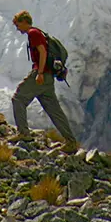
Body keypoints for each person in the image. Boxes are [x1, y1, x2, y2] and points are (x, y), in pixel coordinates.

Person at [11, 10, 78, 153]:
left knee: (18, 98)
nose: (17, 28)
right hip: (48, 78)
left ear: (24, 22)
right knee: (54, 111)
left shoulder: (33, 33)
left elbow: (42, 52)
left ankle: (24, 133)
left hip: (41, 75)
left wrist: (40, 73)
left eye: (17, 25)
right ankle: (71, 142)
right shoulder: (38, 32)